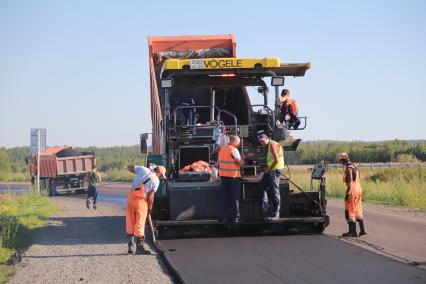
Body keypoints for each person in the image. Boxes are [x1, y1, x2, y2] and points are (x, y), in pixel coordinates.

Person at [126, 164, 166, 255]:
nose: (160, 178)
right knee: (140, 223)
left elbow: (129, 167)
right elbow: (151, 196)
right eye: (161, 176)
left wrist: (137, 172)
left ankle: (130, 248)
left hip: (131, 198)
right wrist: (150, 208)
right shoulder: (156, 180)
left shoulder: (143, 170)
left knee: (130, 222)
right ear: (158, 172)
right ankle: (139, 248)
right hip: (141, 200)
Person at [338, 153, 367, 237]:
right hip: (358, 189)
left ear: (343, 160)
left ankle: (352, 232)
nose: (341, 163)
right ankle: (362, 230)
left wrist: (348, 193)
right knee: (357, 209)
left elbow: (350, 181)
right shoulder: (355, 166)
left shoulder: (348, 169)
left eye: (341, 161)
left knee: (349, 211)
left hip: (352, 190)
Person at [257, 133, 285, 221]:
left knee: (274, 191)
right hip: (271, 170)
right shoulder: (269, 145)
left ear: (266, 138)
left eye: (262, 141)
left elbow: (276, 160)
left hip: (275, 170)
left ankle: (276, 213)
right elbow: (271, 159)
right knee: (262, 187)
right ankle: (266, 206)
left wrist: (269, 170)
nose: (261, 143)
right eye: (260, 142)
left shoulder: (272, 145)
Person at [217, 135, 243, 223]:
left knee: (224, 198)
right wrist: (243, 159)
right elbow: (240, 163)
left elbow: (218, 162)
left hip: (223, 177)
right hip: (234, 177)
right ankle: (236, 218)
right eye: (238, 142)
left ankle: (222, 217)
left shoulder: (222, 150)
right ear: (234, 141)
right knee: (235, 198)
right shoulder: (234, 150)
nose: (239, 144)